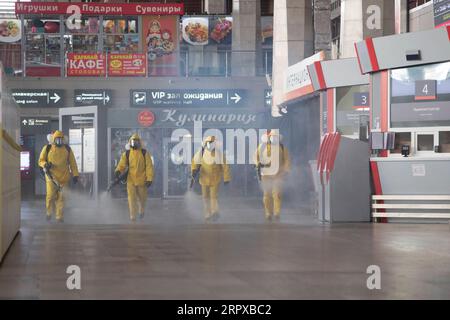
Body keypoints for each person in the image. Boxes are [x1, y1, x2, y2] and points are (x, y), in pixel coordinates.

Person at [38, 130, 79, 222]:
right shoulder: (47, 148)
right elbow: (40, 160)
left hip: (64, 178)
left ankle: (59, 217)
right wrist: (45, 164)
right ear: (53, 139)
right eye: (57, 139)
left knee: (61, 198)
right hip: (51, 177)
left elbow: (73, 163)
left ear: (63, 139)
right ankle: (49, 213)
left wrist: (75, 174)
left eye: (61, 139)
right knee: (50, 196)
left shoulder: (67, 149)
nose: (59, 141)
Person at [115, 134, 154, 221]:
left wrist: (149, 178)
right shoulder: (127, 154)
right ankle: (133, 216)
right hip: (131, 180)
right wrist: (118, 170)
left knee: (142, 199)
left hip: (142, 180)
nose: (135, 143)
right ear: (130, 142)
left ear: (139, 142)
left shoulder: (144, 153)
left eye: (136, 141)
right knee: (131, 198)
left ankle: (141, 211)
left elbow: (149, 167)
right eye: (133, 142)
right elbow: (122, 164)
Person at [191, 136, 231, 222]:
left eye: (212, 143)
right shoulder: (201, 153)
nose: (210, 145)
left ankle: (214, 212)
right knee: (205, 197)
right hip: (204, 179)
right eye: (209, 143)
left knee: (213, 197)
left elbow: (225, 166)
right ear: (205, 144)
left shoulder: (219, 154)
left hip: (215, 178)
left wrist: (226, 178)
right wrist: (194, 170)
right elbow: (194, 162)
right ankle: (207, 213)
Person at [254, 130, 290, 221]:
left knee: (277, 193)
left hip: (279, 174)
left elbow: (287, 160)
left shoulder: (282, 148)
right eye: (272, 136)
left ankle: (276, 212)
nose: (274, 138)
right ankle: (268, 213)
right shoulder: (261, 147)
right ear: (268, 137)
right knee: (267, 195)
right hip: (265, 174)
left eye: (275, 136)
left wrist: (286, 170)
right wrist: (257, 163)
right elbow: (255, 157)